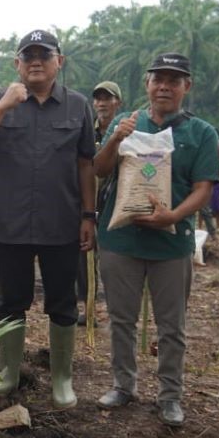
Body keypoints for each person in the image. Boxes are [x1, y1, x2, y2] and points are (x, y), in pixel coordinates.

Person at [0, 30, 96, 409]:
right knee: (10, 302)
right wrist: (3, 106)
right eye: (28, 55)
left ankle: (62, 378)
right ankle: (9, 372)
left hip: (62, 222)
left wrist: (89, 215)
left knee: (63, 301)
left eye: (44, 54)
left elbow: (86, 163)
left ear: (60, 61)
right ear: (16, 64)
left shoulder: (77, 105)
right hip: (11, 223)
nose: (36, 61)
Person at [92, 53, 219, 426]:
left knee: (172, 325)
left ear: (186, 87)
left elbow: (203, 188)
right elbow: (100, 170)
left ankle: (169, 395)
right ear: (147, 84)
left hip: (171, 243)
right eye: (158, 79)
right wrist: (116, 138)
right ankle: (123, 385)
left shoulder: (201, 133)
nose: (164, 86)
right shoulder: (126, 122)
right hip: (121, 241)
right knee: (121, 319)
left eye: (174, 80)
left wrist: (174, 216)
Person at [80, 81, 123, 324]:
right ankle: (88, 308)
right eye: (98, 99)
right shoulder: (88, 130)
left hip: (113, 204)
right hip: (87, 203)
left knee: (109, 260)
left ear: (118, 102)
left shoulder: (127, 129)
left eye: (107, 98)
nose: (101, 103)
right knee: (84, 259)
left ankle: (114, 310)